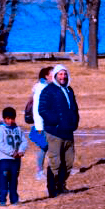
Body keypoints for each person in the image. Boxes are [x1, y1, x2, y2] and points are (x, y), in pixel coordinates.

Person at [38, 64, 79, 197]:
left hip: (68, 131)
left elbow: (74, 109)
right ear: (55, 76)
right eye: (60, 74)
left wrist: (75, 121)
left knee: (68, 162)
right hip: (54, 132)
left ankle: (61, 185)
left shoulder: (69, 90)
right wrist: (56, 121)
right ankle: (52, 189)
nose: (63, 77)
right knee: (55, 162)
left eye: (65, 74)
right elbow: (42, 109)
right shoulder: (48, 90)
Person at [0, 107, 28, 206]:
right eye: (8, 119)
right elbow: (0, 144)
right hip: (5, 160)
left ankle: (14, 200)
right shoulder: (0, 130)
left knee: (14, 180)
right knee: (3, 181)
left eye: (12, 118)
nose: (11, 121)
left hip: (16, 160)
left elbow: (24, 141)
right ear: (4, 119)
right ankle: (2, 200)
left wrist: (21, 150)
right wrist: (12, 152)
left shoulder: (18, 129)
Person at [29, 66, 53, 180]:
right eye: (53, 74)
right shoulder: (42, 88)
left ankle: (59, 168)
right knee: (44, 147)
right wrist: (39, 126)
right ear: (46, 76)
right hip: (42, 124)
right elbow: (38, 109)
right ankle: (39, 172)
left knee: (53, 146)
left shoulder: (45, 87)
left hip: (48, 123)